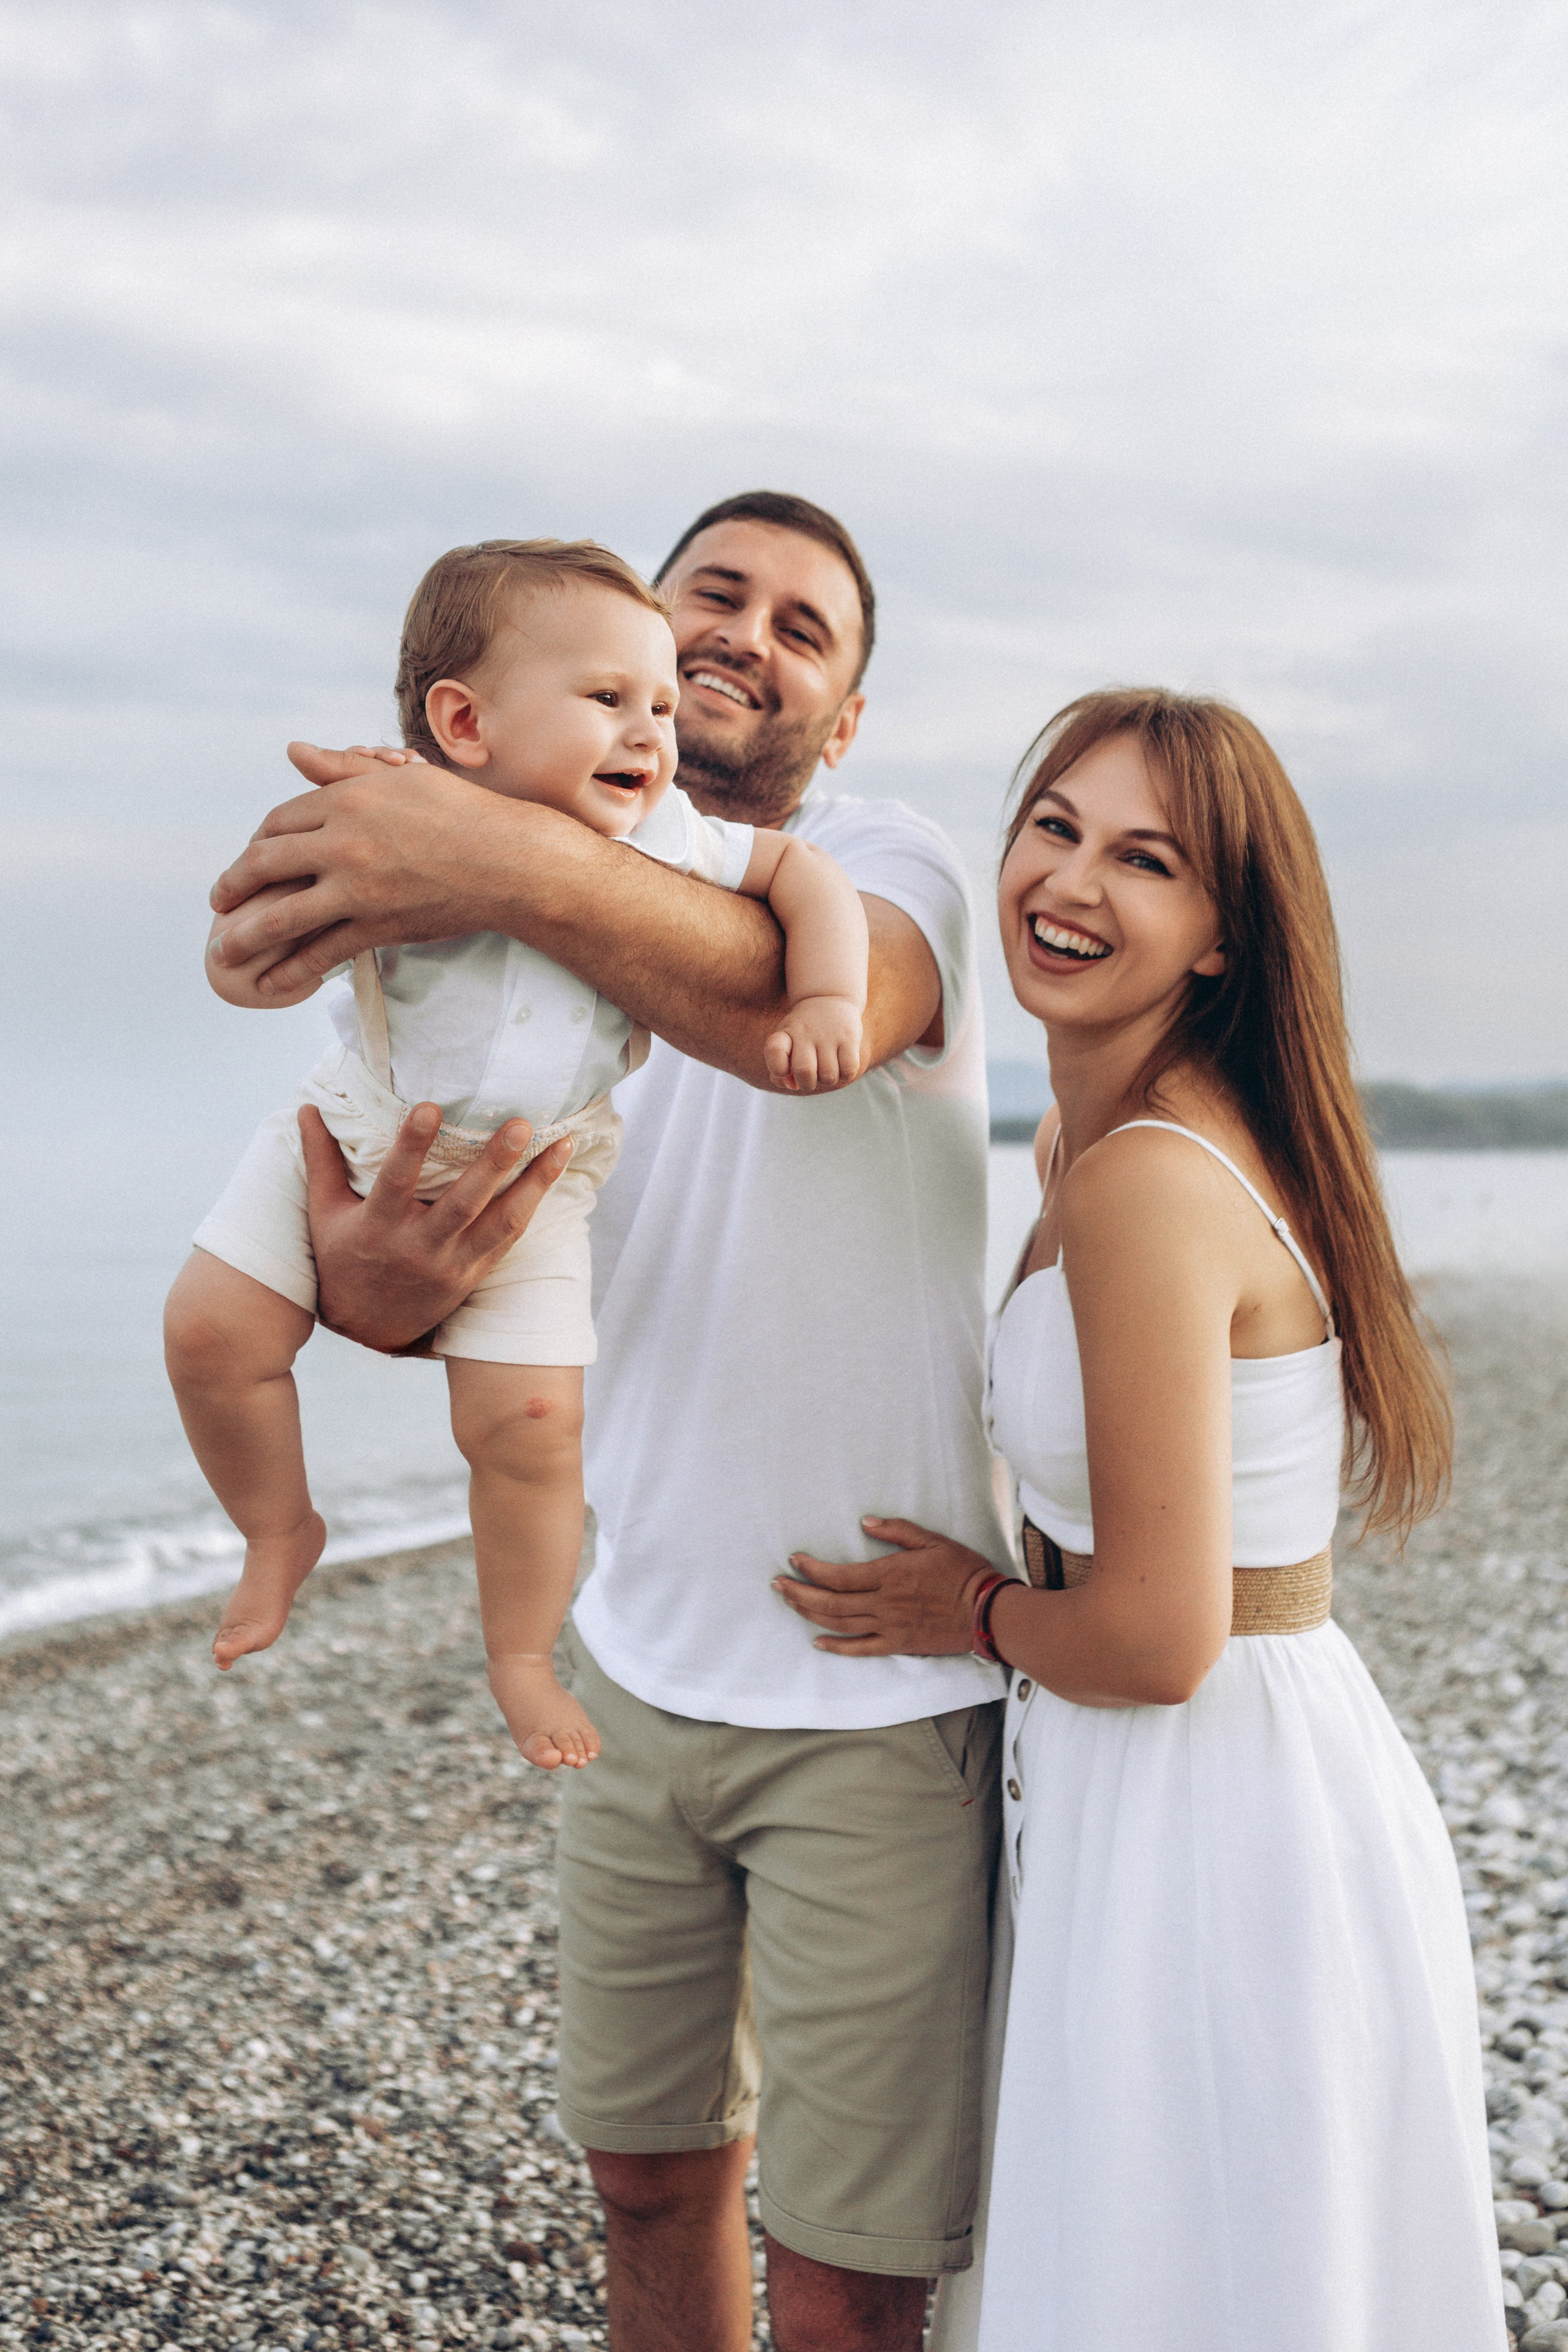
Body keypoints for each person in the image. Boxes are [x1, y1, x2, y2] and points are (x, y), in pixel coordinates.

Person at [204, 491, 1008, 2352]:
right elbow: (411, 1256)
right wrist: (378, 1291)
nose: (744, 635)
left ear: (846, 717)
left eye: (804, 627)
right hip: (633, 1663)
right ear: (632, 636)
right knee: (645, 2179)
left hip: (871, 1692)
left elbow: (775, 1010)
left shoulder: (881, 867)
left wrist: (475, 845)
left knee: (848, 2263)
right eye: (712, 592)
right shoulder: (510, 933)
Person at [777, 690, 1506, 2350]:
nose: (1071, 883)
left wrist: (967, 1610)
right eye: (1055, 827)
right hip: (1207, 1766)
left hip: (1208, 1800)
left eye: (1145, 860)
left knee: (1168, 2271)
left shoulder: (1145, 1183)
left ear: (1221, 937)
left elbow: (1163, 1639)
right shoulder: (1090, 1143)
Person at [167, 536, 868, 1781]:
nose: (650, 733)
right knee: (212, 1334)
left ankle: (522, 1655)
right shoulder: (400, 813)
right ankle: (277, 1528)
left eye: (660, 708)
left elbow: (800, 873)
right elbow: (257, 939)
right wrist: (245, 965)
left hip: (541, 1170)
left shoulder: (668, 837)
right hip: (353, 1124)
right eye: (609, 698)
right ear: (465, 723)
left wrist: (825, 999)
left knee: (533, 1425)